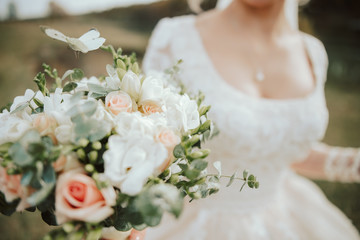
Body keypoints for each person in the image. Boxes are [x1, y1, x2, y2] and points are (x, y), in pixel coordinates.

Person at [141, 0, 360, 239]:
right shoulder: (175, 39)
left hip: (287, 217)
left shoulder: (312, 53)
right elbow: (148, 145)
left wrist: (352, 164)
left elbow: (281, 149)